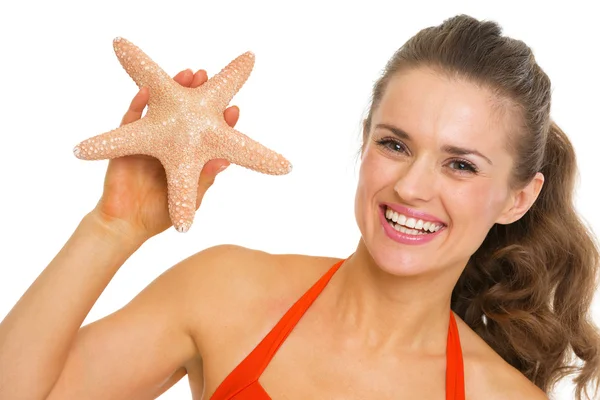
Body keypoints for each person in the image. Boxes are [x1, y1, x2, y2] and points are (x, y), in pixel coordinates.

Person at [0, 13, 598, 400]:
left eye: (460, 164)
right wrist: (112, 227)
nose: (413, 187)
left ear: (518, 198)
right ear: (364, 142)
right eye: (395, 144)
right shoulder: (228, 289)